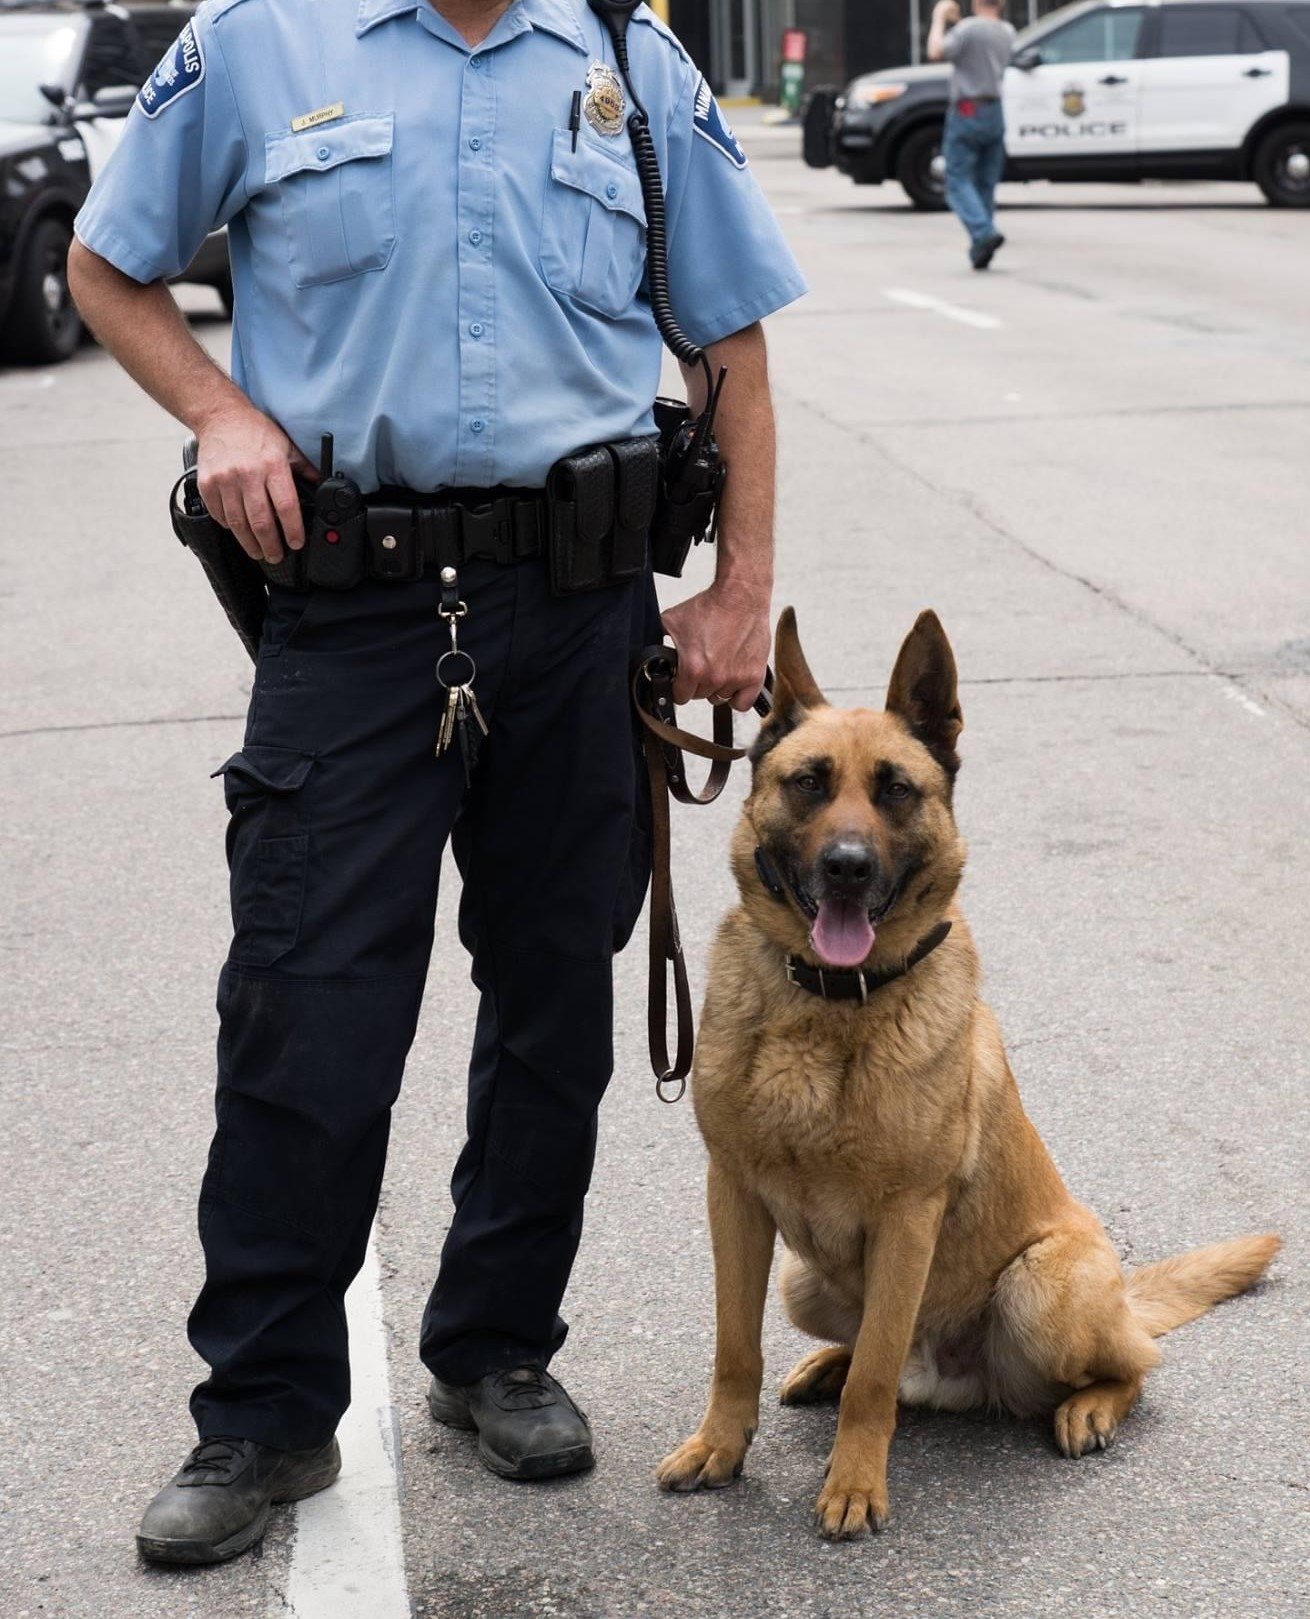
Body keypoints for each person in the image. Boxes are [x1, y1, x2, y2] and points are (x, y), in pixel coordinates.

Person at [68, 0, 806, 1567]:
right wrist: (220, 413)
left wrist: (741, 593)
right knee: (304, 999)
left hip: (580, 610)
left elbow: (727, 338)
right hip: (351, 606)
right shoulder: (258, 39)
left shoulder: (626, 55)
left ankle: (496, 1345)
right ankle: (262, 1407)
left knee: (555, 998)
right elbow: (102, 262)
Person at [928, 0, 1016, 269]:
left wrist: (939, 17)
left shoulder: (967, 29)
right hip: (994, 108)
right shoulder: (1007, 31)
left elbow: (935, 51)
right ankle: (981, 248)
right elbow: (978, 47)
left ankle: (983, 233)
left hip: (967, 108)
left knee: (957, 180)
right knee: (985, 183)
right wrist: (959, 25)